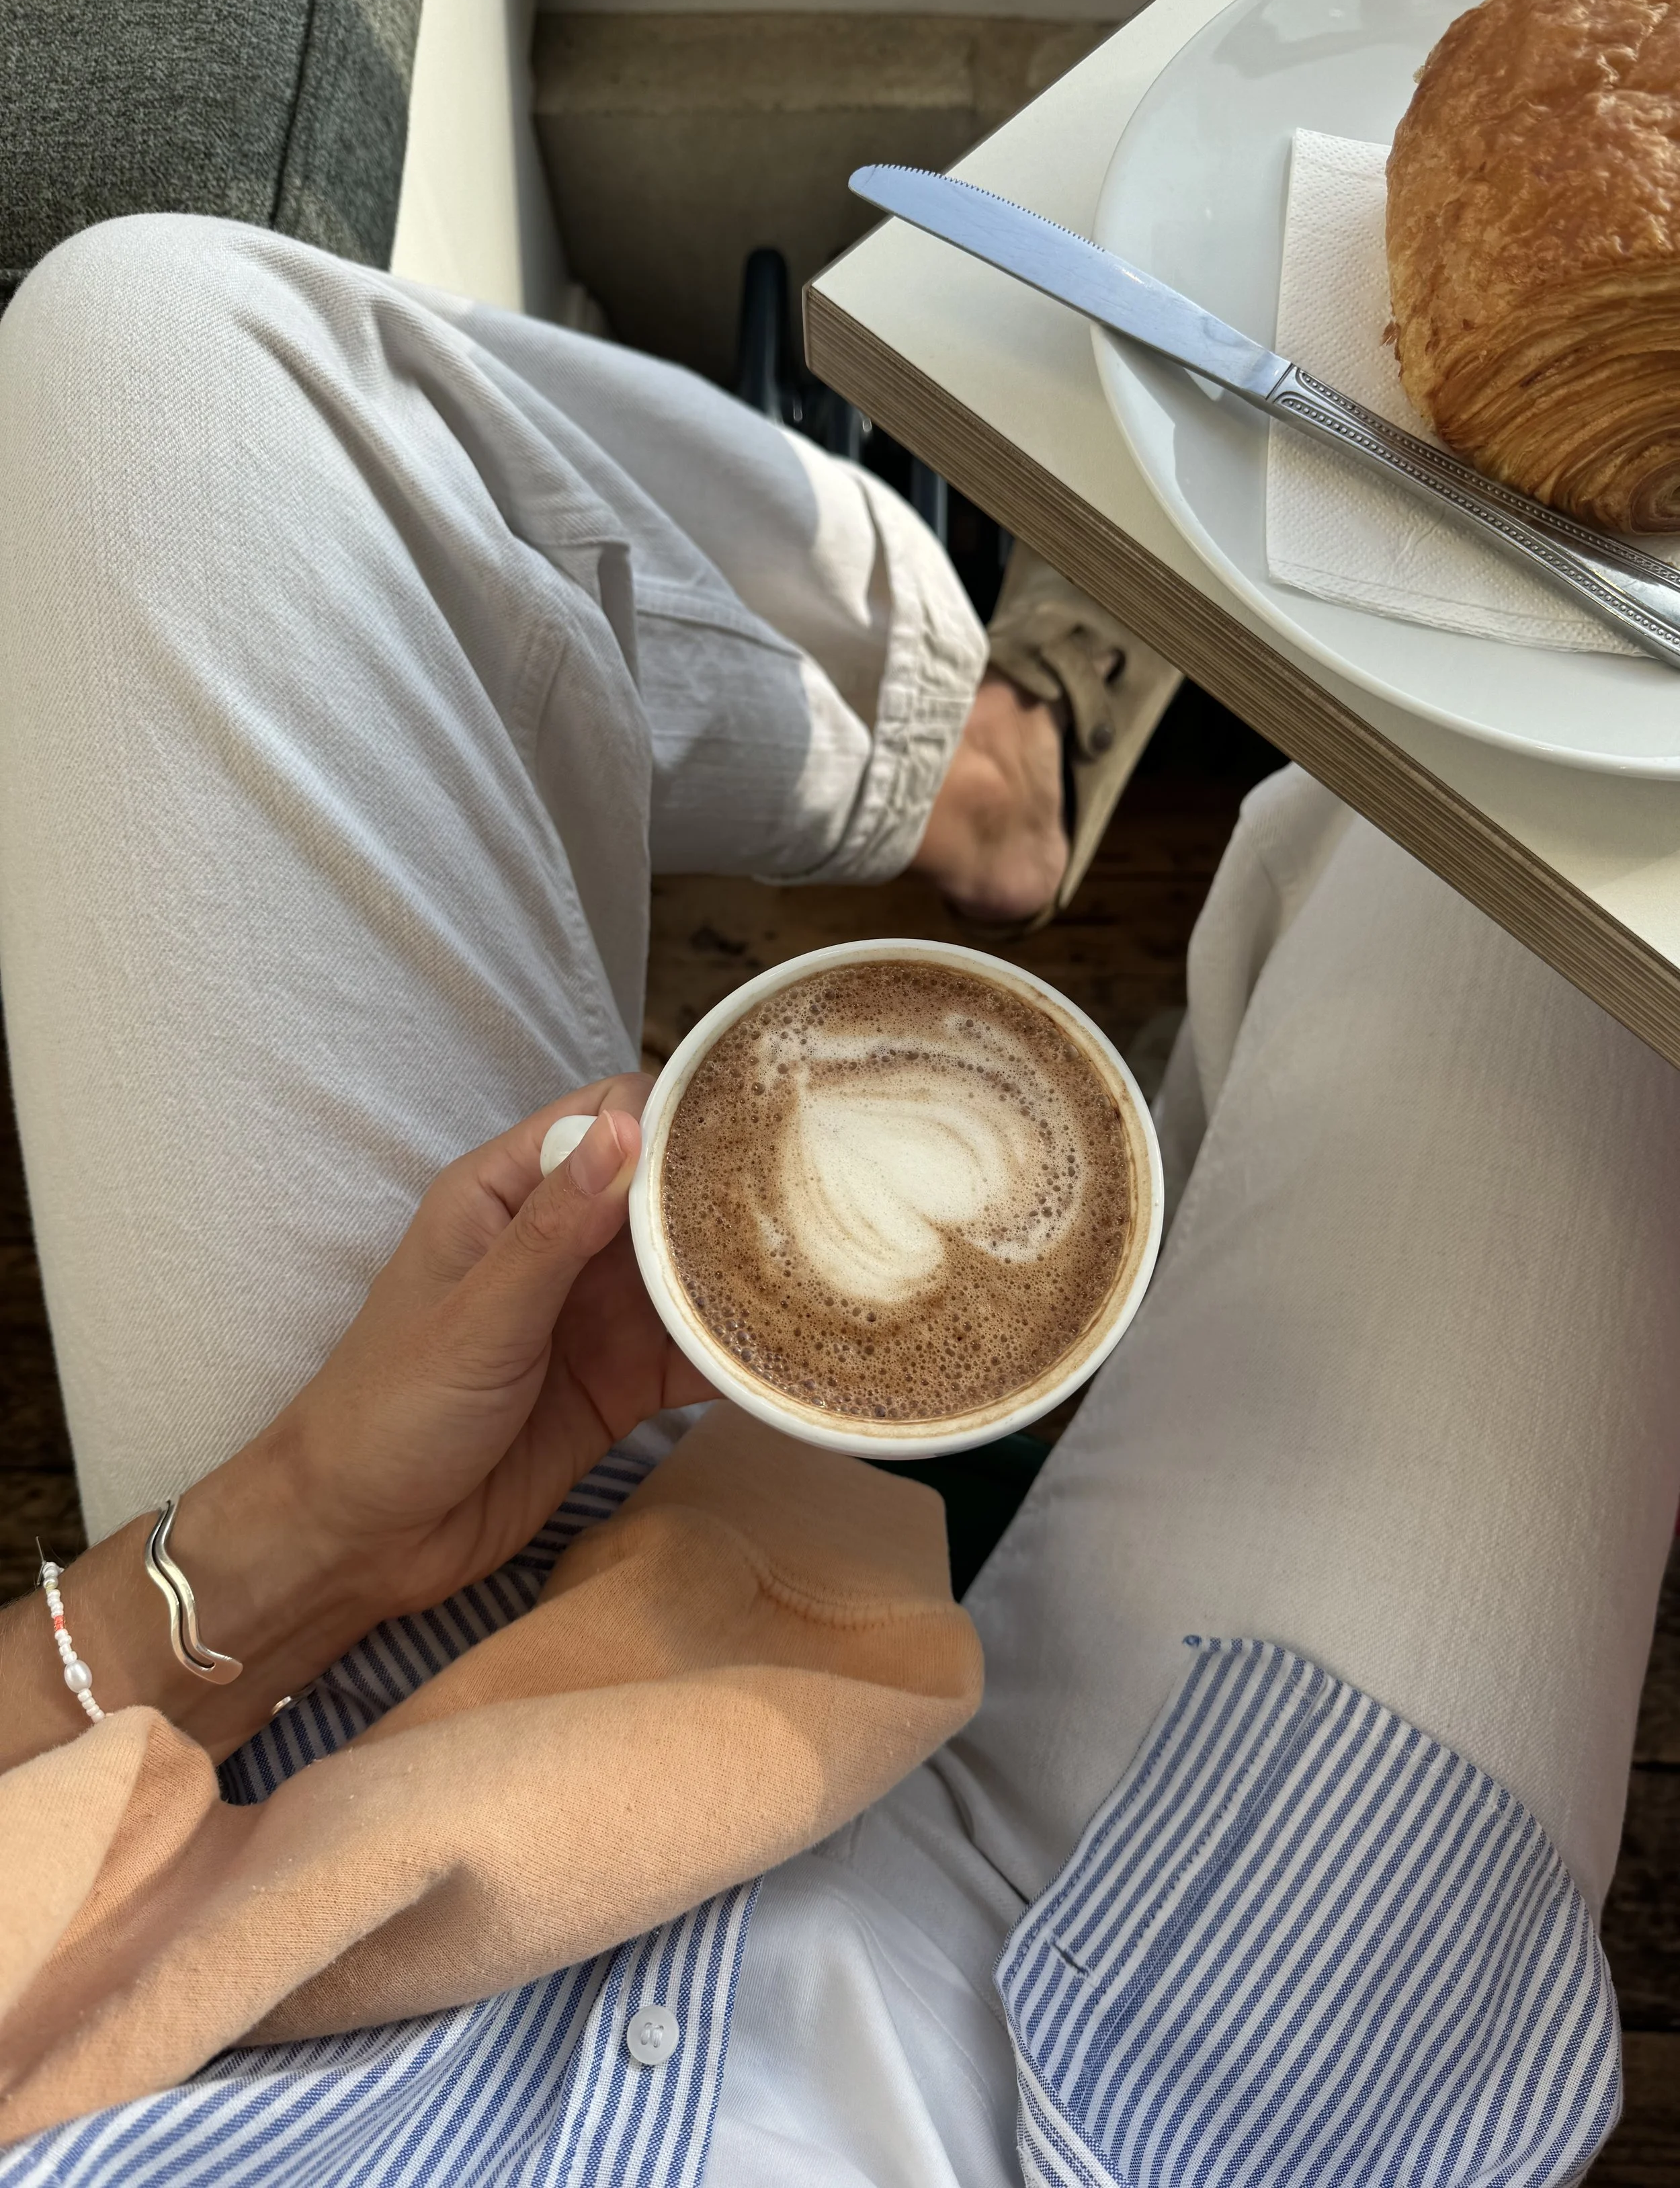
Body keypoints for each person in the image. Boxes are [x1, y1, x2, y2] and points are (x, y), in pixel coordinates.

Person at [0, 214, 1674, 2187]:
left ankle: (976, 762)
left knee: (155, 349)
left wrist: (288, 1546)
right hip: (1183, 2088)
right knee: (1575, 746)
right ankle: (1213, 1057)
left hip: (328, 1826)